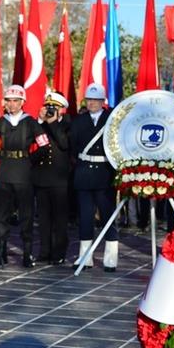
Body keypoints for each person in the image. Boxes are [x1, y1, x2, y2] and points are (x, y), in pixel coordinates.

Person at [0, 84, 40, 267]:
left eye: (16, 101)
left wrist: (30, 160)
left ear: (22, 102)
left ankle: (27, 254)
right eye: (8, 100)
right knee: (0, 214)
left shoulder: (30, 122)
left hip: (23, 172)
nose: (12, 104)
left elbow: (44, 145)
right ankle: (1, 253)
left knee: (26, 214)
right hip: (4, 171)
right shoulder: (1, 122)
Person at [69, 83, 118, 272]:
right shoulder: (78, 121)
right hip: (84, 174)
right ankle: (85, 257)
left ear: (103, 101)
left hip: (105, 173)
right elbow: (73, 146)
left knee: (108, 216)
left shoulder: (112, 120)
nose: (92, 103)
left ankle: (110, 258)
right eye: (89, 99)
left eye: (96, 100)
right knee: (85, 217)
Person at [31, 91, 71, 265]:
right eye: (47, 106)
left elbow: (64, 143)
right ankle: (44, 251)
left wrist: (53, 122)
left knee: (59, 219)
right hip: (42, 177)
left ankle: (59, 252)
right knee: (44, 219)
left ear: (62, 109)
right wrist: (41, 121)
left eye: (53, 107)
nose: (50, 110)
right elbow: (35, 141)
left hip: (59, 179)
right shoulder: (41, 124)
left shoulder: (67, 124)